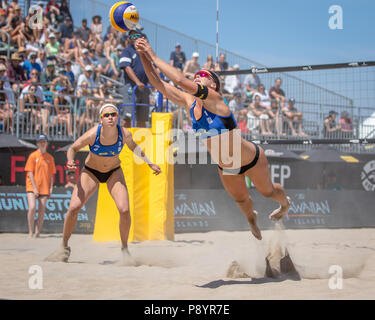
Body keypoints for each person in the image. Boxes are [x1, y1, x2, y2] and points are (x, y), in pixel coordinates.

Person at [135, 38, 291, 240]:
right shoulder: (189, 102)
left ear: (213, 85)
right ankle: (252, 219)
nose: (198, 77)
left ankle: (285, 205)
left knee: (268, 192)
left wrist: (153, 54)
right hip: (227, 166)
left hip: (250, 158)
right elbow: (156, 82)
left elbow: (181, 81)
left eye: (203, 76)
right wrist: (142, 55)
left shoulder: (216, 100)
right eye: (196, 75)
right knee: (243, 202)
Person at [45, 104, 161, 263]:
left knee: (125, 210)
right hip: (91, 172)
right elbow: (73, 148)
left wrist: (150, 163)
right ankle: (63, 246)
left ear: (117, 117)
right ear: (101, 118)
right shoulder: (94, 133)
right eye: (107, 115)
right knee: (73, 208)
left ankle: (125, 249)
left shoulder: (124, 133)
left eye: (113, 114)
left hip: (113, 171)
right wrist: (70, 161)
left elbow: (135, 148)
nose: (111, 117)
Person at [25, 134, 56, 238]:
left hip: (44, 187)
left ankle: (37, 232)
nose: (42, 143)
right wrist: (34, 188)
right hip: (31, 186)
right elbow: (29, 172)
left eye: (44, 142)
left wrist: (51, 187)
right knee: (32, 208)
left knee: (42, 211)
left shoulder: (50, 158)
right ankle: (30, 231)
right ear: (37, 143)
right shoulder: (33, 156)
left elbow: (51, 174)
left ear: (47, 143)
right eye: (40, 142)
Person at [119, 30, 150, 128]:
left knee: (142, 119)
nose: (134, 37)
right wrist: (137, 82)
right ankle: (122, 141)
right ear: (128, 39)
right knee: (127, 117)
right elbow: (127, 68)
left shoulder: (145, 52)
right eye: (132, 36)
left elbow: (151, 69)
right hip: (131, 87)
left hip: (144, 88)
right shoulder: (127, 51)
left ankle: (141, 142)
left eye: (137, 35)